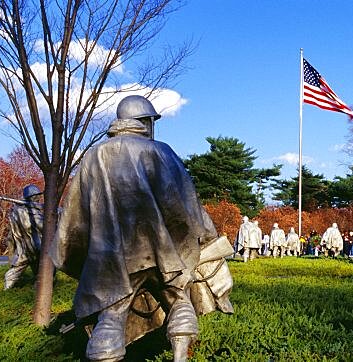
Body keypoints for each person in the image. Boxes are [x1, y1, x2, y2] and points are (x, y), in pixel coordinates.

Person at [51, 95, 234, 362]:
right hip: (164, 252)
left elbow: (75, 215)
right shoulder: (160, 151)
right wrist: (204, 236)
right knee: (179, 298)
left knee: (111, 313)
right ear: (144, 122)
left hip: (111, 256)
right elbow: (183, 201)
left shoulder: (94, 156)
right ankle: (180, 357)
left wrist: (76, 254)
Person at [3, 184, 43, 290]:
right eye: (36, 196)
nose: (38, 198)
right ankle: (6, 291)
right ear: (31, 197)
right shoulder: (21, 211)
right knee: (19, 267)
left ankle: (38, 289)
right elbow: (36, 225)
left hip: (37, 244)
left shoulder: (35, 210)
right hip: (29, 244)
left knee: (44, 269)